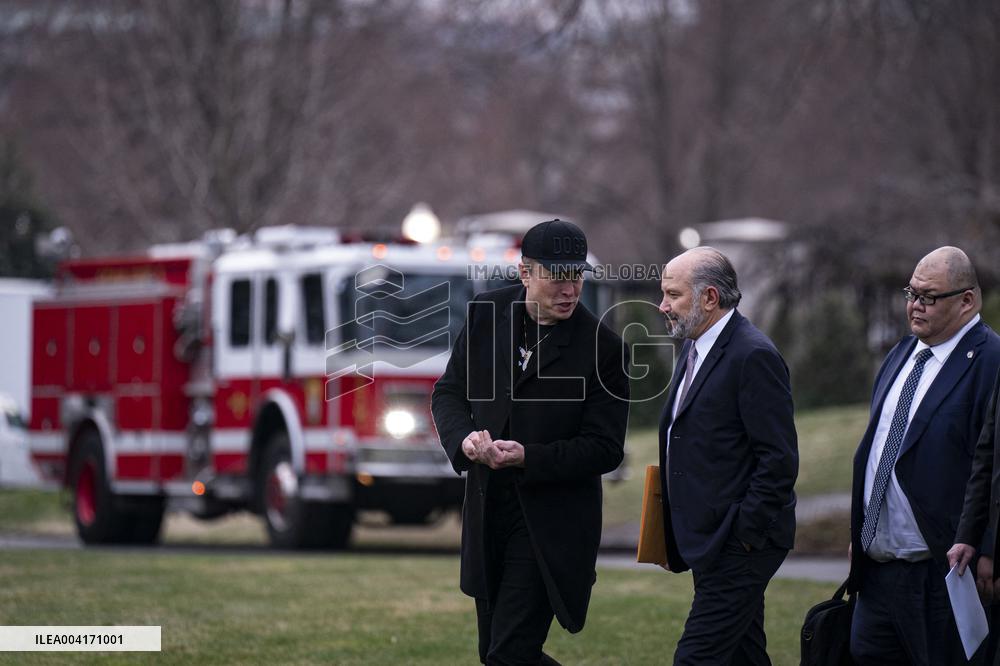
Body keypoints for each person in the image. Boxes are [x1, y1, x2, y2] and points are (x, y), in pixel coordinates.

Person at [432, 218, 630, 665]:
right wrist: (464, 440)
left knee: (509, 656)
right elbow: (448, 392)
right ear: (525, 274)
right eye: (557, 278)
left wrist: (528, 457)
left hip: (550, 525)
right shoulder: (485, 315)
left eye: (576, 276)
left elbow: (605, 447)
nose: (569, 290)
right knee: (495, 655)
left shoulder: (605, 348)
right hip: (487, 511)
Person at [848, 246, 1000, 665]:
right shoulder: (902, 353)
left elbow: (992, 466)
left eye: (928, 297)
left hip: (944, 573)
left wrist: (988, 546)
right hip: (878, 573)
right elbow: (878, 448)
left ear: (967, 300)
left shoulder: (990, 361)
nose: (915, 305)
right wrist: (862, 530)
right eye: (910, 293)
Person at [657, 247, 798, 665]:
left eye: (673, 295)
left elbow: (779, 460)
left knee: (696, 658)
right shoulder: (694, 348)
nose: (662, 306)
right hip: (710, 539)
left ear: (710, 298)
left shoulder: (753, 355)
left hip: (739, 543)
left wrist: (743, 534)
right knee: (743, 655)